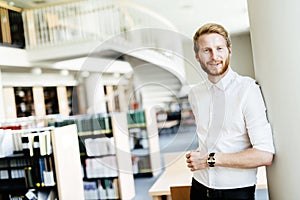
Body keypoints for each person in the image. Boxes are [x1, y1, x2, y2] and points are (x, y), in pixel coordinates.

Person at [186, 23, 275, 200]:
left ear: (229, 51)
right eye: (206, 50)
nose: (214, 56)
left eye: (219, 48)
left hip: (236, 192)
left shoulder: (248, 90)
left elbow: (264, 154)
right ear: (197, 56)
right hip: (199, 187)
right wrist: (199, 154)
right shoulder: (194, 94)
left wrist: (209, 159)